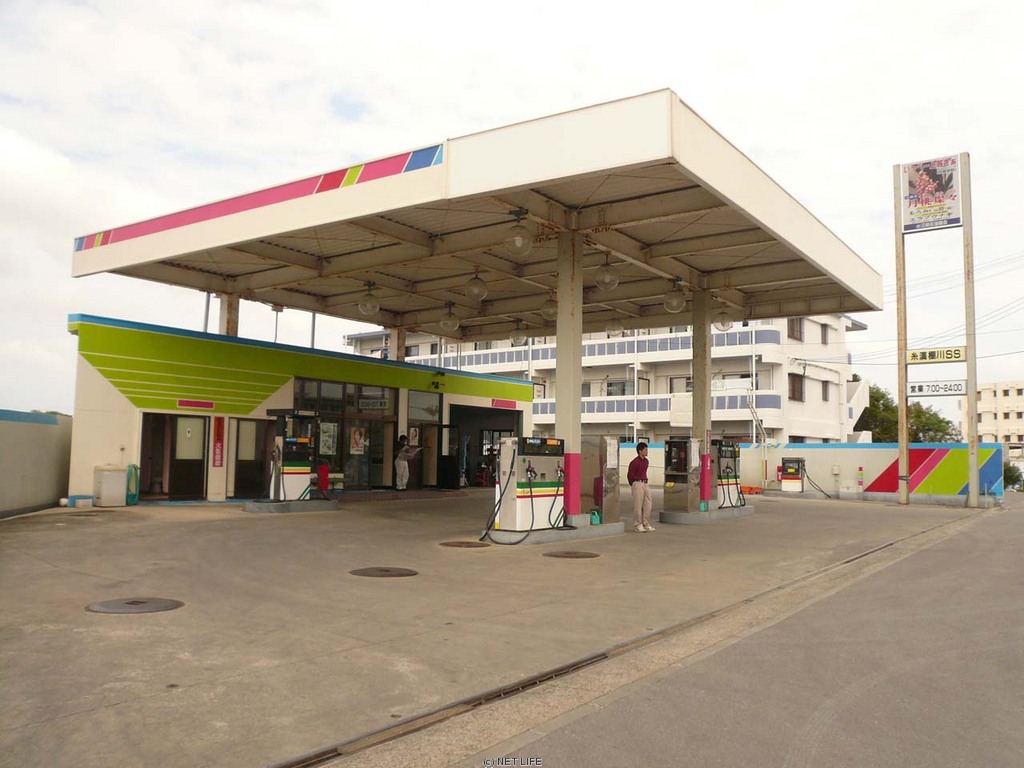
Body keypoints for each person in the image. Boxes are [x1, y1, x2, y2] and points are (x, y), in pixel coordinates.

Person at [627, 442, 654, 532]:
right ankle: (638, 524)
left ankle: (646, 523)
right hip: (637, 483)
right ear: (640, 451)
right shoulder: (634, 462)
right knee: (638, 505)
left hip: (645, 483)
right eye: (645, 450)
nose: (647, 451)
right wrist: (634, 484)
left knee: (648, 504)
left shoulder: (646, 461)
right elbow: (630, 475)